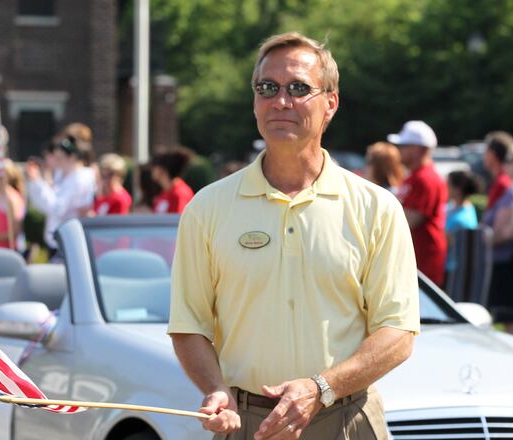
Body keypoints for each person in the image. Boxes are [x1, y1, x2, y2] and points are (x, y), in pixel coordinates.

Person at [168, 32, 419, 440]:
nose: (280, 101)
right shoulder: (206, 208)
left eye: (299, 88)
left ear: (330, 104)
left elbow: (398, 333)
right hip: (246, 423)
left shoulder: (377, 207)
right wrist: (215, 388)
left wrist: (322, 388)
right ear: (254, 101)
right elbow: (188, 324)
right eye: (267, 88)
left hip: (346, 418)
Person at [481, 137, 513, 334]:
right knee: (507, 319)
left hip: (506, 261)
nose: (504, 165)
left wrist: (488, 235)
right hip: (505, 259)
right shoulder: (512, 188)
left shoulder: (512, 190)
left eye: (509, 161)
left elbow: (504, 231)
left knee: (510, 321)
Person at [393, 120, 448, 285]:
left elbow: (411, 220)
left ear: (417, 149)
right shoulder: (414, 177)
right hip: (416, 260)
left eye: (404, 146)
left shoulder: (426, 179)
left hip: (424, 262)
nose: (399, 150)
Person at [26, 135, 96, 257]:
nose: (56, 162)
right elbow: (43, 206)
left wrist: (37, 182)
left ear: (72, 157)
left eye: (60, 158)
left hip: (69, 242)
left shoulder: (79, 179)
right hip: (57, 240)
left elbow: (57, 209)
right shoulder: (62, 176)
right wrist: (36, 183)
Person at [444, 170, 479, 281]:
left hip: (452, 273)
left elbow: (446, 242)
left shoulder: (462, 220)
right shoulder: (453, 207)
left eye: (448, 185)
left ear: (457, 190)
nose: (445, 188)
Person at [151, 147, 195, 214]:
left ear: (161, 169)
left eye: (153, 166)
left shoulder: (180, 194)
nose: (151, 170)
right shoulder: (165, 192)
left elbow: (178, 221)